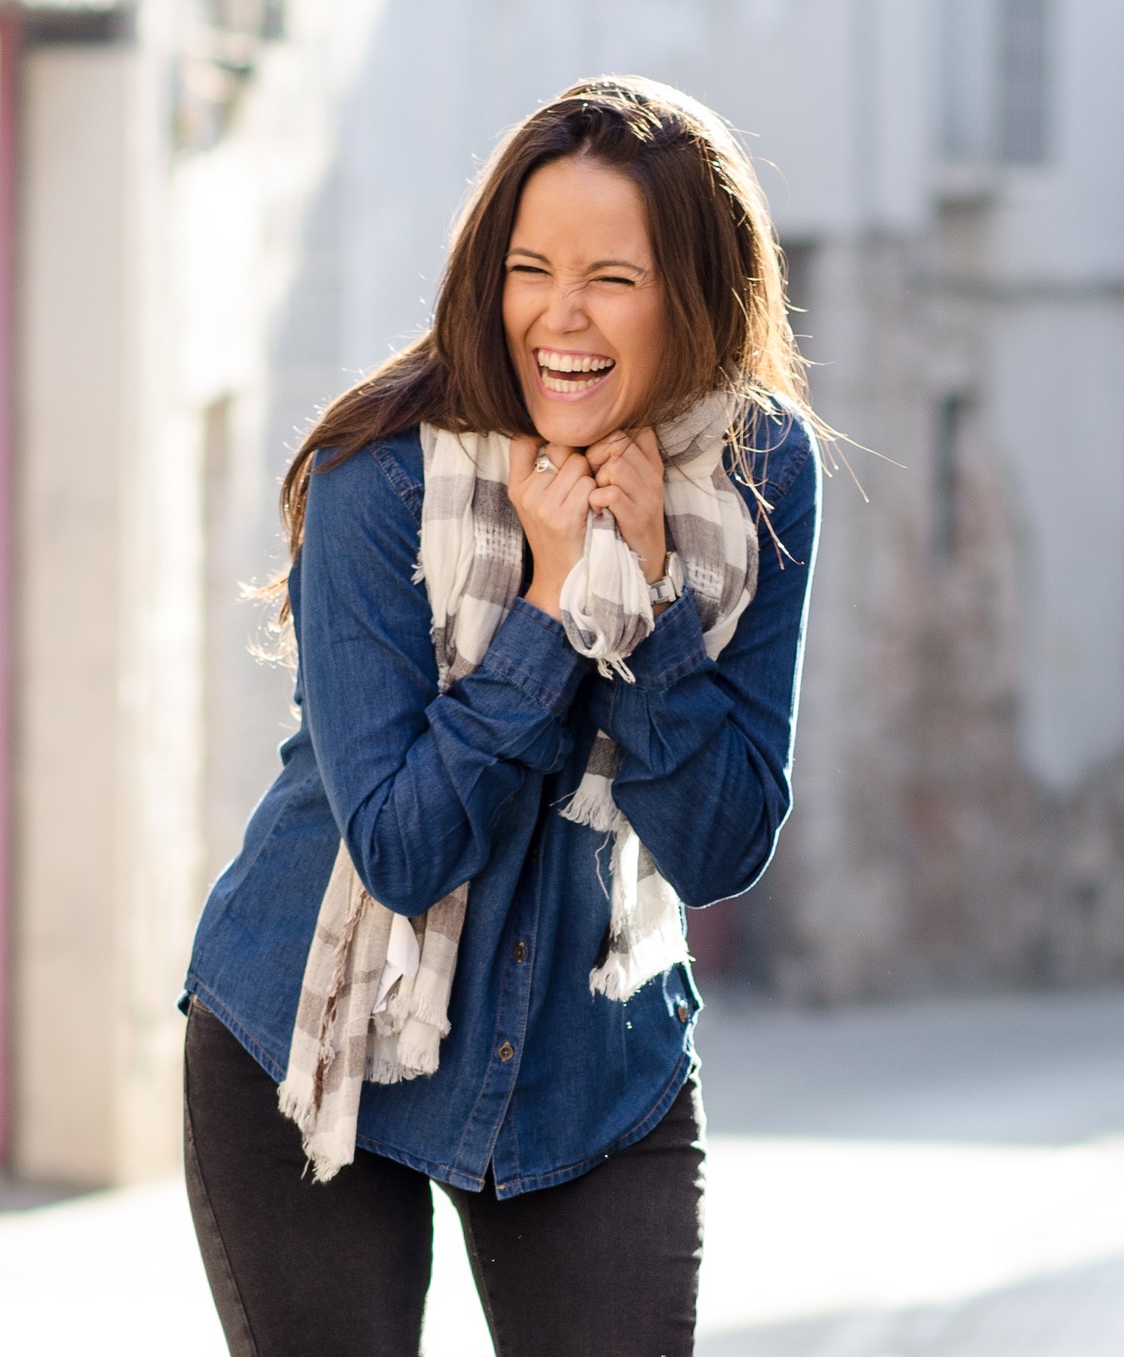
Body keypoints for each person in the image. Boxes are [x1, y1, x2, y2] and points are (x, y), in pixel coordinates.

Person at [178, 74, 822, 1357]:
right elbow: (403, 851)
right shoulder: (379, 475)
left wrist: (646, 600)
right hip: (313, 1029)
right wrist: (548, 598)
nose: (560, 317)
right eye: (531, 270)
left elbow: (722, 846)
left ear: (696, 295)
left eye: (613, 279)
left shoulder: (756, 477)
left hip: (593, 1065)